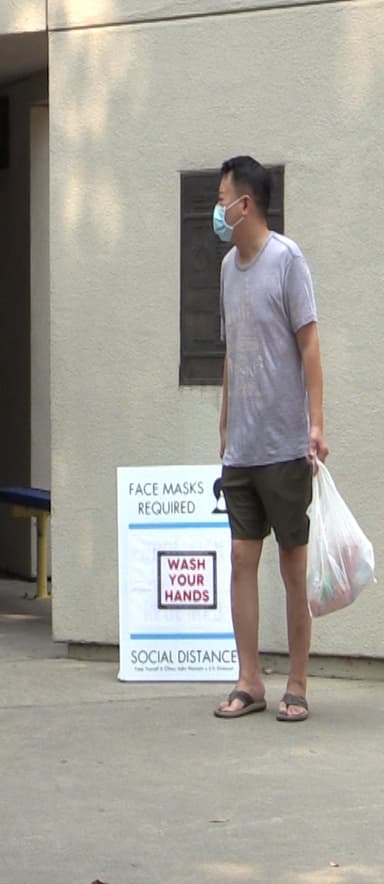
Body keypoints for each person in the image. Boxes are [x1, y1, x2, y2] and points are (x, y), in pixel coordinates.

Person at [212, 156, 326, 723]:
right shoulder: (228, 268)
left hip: (285, 446)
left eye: (222, 198)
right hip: (243, 448)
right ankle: (250, 679)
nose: (217, 209)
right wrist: (225, 421)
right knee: (239, 558)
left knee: (293, 564)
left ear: (245, 204)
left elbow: (309, 344)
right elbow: (234, 352)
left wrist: (316, 424)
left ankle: (298, 682)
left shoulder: (287, 260)